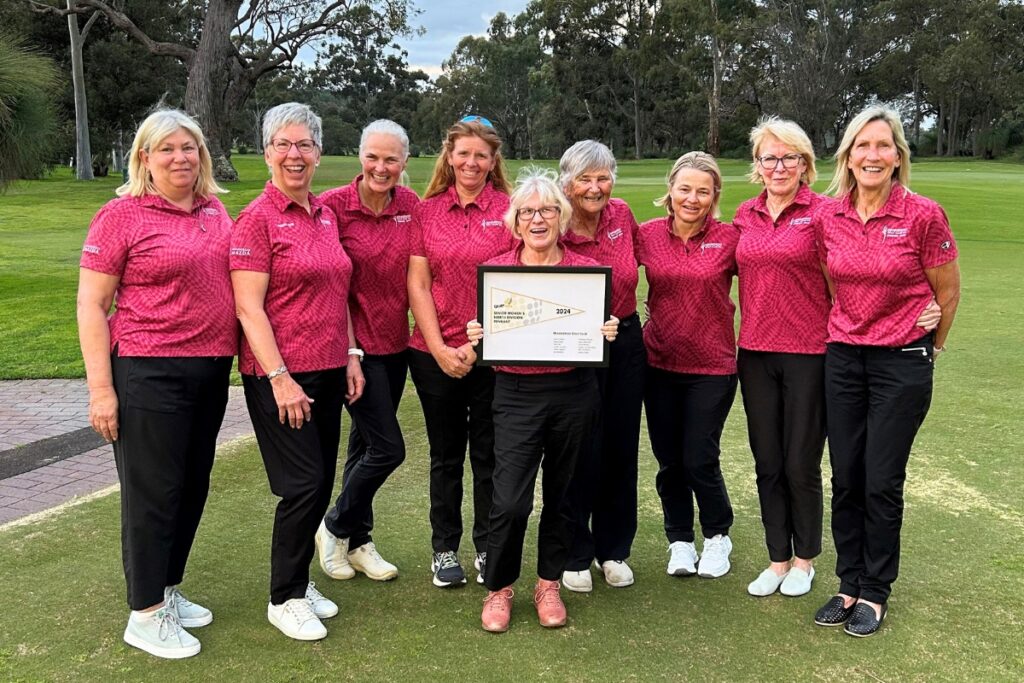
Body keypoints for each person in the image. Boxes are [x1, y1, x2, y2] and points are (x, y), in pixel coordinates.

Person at [77, 109, 236, 659]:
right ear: (144, 157)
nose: (179, 158)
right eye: (165, 149)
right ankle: (143, 613)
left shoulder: (215, 211)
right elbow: (92, 305)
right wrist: (102, 391)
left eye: (188, 148)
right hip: (148, 369)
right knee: (154, 493)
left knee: (192, 485)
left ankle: (166, 589)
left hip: (212, 367)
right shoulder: (120, 216)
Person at [813, 105, 960, 637]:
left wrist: (930, 347)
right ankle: (848, 581)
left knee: (880, 480)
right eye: (862, 146)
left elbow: (947, 293)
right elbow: (834, 284)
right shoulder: (830, 216)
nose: (872, 156)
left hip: (902, 363)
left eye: (883, 146)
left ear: (898, 156)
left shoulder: (923, 214)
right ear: (848, 157)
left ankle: (875, 590)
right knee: (846, 476)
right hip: (845, 358)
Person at [230, 102, 364, 641]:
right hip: (279, 376)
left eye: (304, 145)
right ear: (267, 153)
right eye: (284, 145)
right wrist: (280, 376)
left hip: (330, 367)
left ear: (318, 152)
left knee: (323, 477)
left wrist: (352, 354)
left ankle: (300, 580)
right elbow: (247, 307)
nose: (295, 154)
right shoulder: (256, 219)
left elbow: (340, 290)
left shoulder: (326, 214)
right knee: (303, 484)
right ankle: (283, 596)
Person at [465, 169, 619, 632]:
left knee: (564, 495)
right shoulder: (497, 272)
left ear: (562, 217)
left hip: (574, 392)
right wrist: (479, 333)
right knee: (510, 501)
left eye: (548, 210)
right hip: (515, 393)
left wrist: (604, 332)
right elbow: (486, 334)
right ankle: (499, 587)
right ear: (515, 221)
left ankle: (548, 582)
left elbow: (598, 330)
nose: (538, 219)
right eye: (528, 211)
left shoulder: (587, 274)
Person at [407, 117, 514, 588]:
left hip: (495, 354)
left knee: (490, 454)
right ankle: (444, 548)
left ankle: (489, 547)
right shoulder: (426, 211)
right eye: (463, 153)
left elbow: (515, 281)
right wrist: (440, 348)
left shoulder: (510, 209)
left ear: (493, 163)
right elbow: (419, 283)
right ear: (449, 156)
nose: (471, 163)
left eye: (481, 155)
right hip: (434, 354)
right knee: (446, 455)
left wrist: (477, 346)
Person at [316, 120, 419, 582]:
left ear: (404, 162)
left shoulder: (412, 206)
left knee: (363, 445)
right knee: (387, 448)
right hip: (352, 350)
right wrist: (351, 351)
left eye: (391, 159)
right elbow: (329, 286)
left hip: (396, 345)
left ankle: (359, 540)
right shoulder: (332, 207)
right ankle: (335, 526)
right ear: (360, 156)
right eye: (373, 157)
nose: (382, 167)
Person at [732, 118, 829, 598]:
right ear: (758, 165)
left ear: (805, 164)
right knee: (766, 460)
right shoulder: (744, 215)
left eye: (789, 157)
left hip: (810, 353)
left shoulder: (825, 212)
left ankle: (805, 560)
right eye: (769, 157)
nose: (779, 166)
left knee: (800, 463)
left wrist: (926, 303)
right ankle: (776, 560)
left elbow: (858, 269)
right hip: (754, 352)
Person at [636, 152, 738, 581]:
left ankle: (717, 535)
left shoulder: (732, 237)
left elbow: (784, 275)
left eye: (703, 190)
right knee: (669, 460)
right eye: (684, 189)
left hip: (713, 365)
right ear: (670, 190)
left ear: (714, 195)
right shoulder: (646, 235)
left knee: (699, 457)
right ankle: (679, 538)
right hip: (658, 362)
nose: (692, 198)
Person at [557, 140, 643, 592]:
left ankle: (614, 549)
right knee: (578, 448)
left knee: (620, 445)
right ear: (566, 182)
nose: (594, 187)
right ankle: (574, 550)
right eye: (584, 179)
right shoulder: (553, 219)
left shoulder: (623, 216)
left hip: (625, 340)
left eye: (603, 177)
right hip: (572, 346)